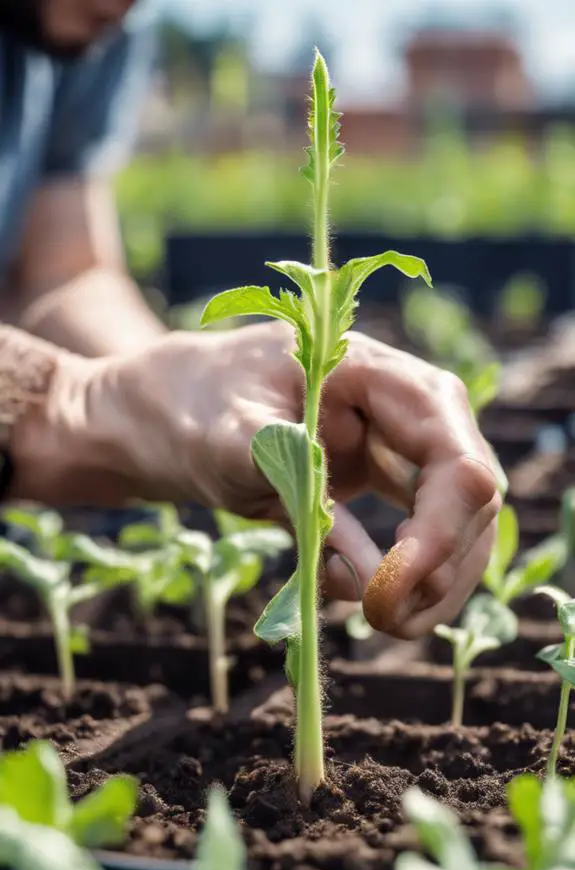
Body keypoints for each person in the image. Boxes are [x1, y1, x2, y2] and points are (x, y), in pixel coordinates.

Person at [0, 0, 500, 639]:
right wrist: (70, 402)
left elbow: (64, 271)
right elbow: (78, 397)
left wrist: (178, 388)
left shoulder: (94, 27)